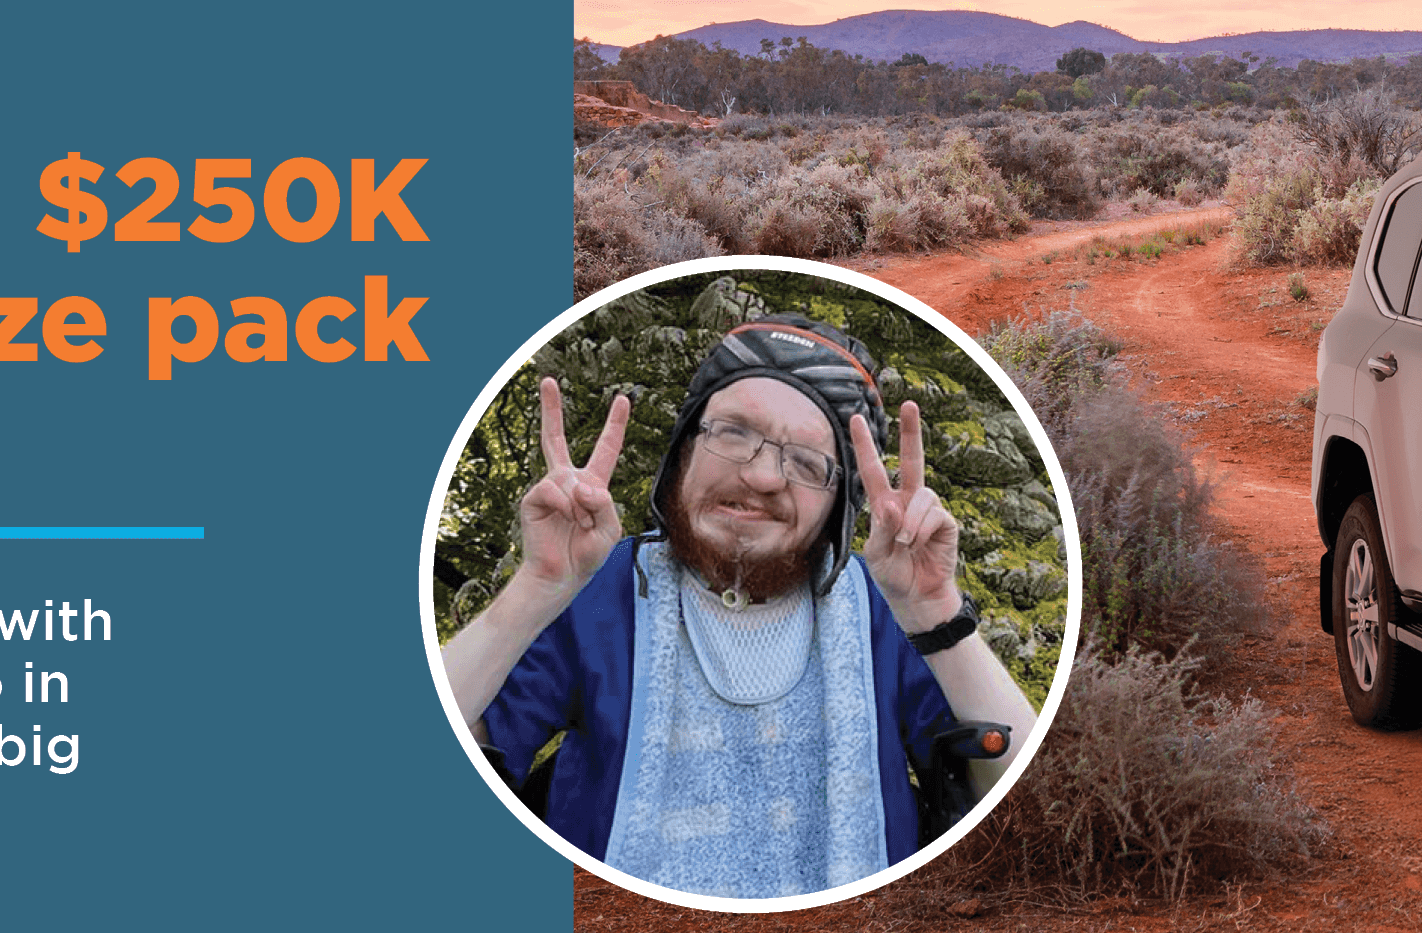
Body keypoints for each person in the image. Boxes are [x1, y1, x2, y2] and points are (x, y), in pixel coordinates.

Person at [441, 313, 1038, 898]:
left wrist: (936, 614)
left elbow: (1039, 808)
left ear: (839, 507)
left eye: (808, 463)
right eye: (732, 433)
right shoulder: (609, 588)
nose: (761, 476)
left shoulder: (879, 610)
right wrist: (536, 588)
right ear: (683, 451)